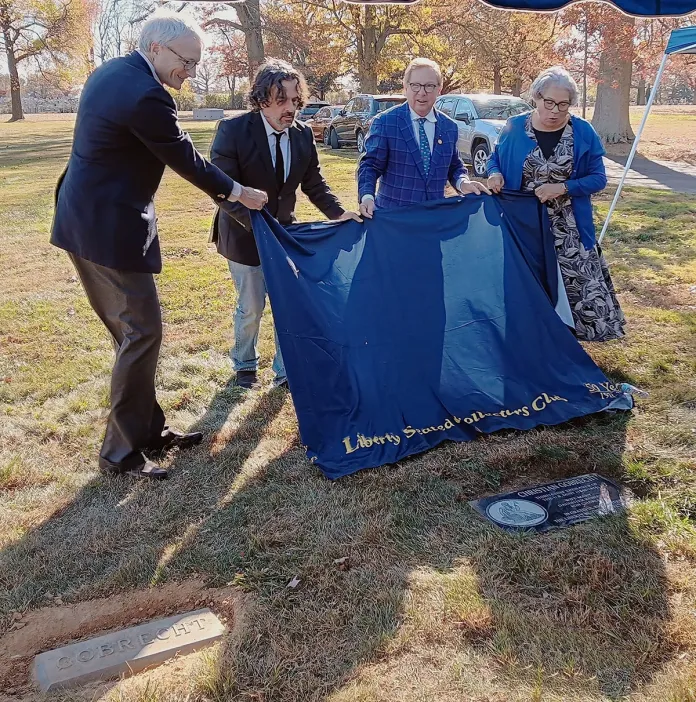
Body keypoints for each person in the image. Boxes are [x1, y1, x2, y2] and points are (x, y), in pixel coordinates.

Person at [50, 13, 268, 481]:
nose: (189, 72)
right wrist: (239, 194)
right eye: (186, 62)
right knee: (141, 334)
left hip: (83, 220)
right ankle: (120, 454)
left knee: (133, 336)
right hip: (108, 229)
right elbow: (186, 158)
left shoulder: (112, 71)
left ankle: (149, 430)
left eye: (195, 63)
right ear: (155, 48)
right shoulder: (145, 93)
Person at [210, 59, 361, 390]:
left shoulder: (303, 135)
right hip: (243, 237)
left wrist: (338, 213)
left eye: (295, 100)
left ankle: (285, 371)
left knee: (286, 307)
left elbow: (314, 184)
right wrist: (258, 225)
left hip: (284, 236)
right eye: (282, 100)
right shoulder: (232, 131)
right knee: (250, 307)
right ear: (262, 99)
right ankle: (245, 365)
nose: (290, 108)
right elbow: (221, 188)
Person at [487, 66, 625, 342]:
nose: (555, 111)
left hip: (570, 224)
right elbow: (495, 159)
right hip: (524, 224)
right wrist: (494, 173)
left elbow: (598, 179)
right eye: (548, 102)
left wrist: (563, 187)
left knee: (579, 283)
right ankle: (533, 340)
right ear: (536, 98)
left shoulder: (582, 131)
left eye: (563, 105)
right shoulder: (515, 127)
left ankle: (571, 339)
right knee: (529, 281)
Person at [358, 57, 489, 218]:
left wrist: (463, 183)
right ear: (405, 87)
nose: (422, 92)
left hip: (433, 223)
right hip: (393, 222)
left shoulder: (449, 127)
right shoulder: (385, 122)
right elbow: (369, 166)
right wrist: (367, 197)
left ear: (439, 89)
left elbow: (454, 166)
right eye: (415, 85)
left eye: (429, 86)